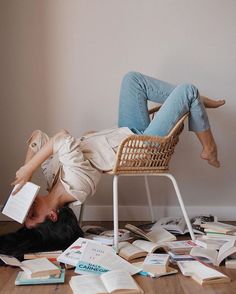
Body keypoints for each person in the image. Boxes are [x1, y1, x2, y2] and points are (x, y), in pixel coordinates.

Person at [11, 71, 224, 229]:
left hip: (127, 133)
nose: (27, 212)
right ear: (52, 216)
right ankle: (208, 147)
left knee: (132, 80)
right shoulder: (76, 186)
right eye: (32, 216)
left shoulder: (50, 178)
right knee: (187, 90)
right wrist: (30, 168)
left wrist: (25, 175)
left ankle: (195, 102)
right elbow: (61, 139)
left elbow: (38, 139)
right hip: (142, 148)